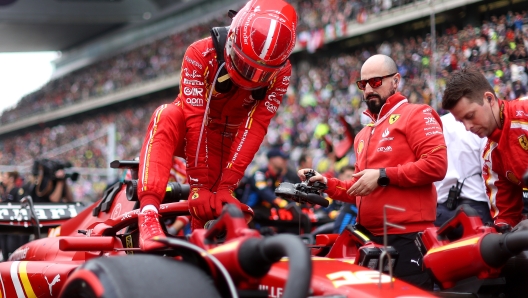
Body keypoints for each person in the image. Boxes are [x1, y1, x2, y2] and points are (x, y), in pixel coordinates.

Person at [136, 0, 298, 250]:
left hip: (224, 139)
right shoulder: (199, 53)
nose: (249, 79)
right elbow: (195, 121)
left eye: (261, 74)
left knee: (209, 218)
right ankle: (147, 215)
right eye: (245, 65)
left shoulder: (283, 72)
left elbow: (256, 127)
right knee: (165, 115)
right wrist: (199, 185)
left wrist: (227, 186)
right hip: (190, 132)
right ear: (232, 38)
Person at [298, 54, 447, 290]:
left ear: (396, 81)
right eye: (363, 84)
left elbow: (436, 165)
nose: (368, 89)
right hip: (369, 242)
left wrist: (382, 175)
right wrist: (326, 184)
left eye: (376, 82)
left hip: (407, 238)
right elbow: (361, 190)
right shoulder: (362, 135)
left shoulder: (418, 114)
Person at [442, 67, 528, 229]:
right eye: (461, 122)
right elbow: (506, 215)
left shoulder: (525, 114)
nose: (467, 127)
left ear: (489, 99)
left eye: (470, 116)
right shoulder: (489, 156)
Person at [434, 112, 492, 227]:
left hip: (441, 211)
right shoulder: (477, 124)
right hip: (476, 209)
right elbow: (489, 171)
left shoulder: (436, 124)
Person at [243, 148, 300, 228]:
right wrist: (280, 202)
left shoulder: (280, 177)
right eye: (282, 158)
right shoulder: (260, 174)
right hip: (252, 214)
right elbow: (264, 191)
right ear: (272, 159)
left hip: (269, 214)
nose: (285, 161)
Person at [0, 171, 29, 261]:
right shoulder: (4, 191)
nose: (3, 179)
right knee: (4, 248)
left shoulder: (17, 191)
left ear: (11, 179)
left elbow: (20, 205)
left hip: (13, 225)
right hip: (4, 224)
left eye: (5, 177)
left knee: (11, 247)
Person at [331, 165, 357, 234]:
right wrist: (333, 213)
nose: (351, 179)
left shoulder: (356, 195)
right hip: (331, 220)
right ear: (340, 176)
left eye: (353, 177)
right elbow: (325, 208)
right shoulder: (333, 192)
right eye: (348, 176)